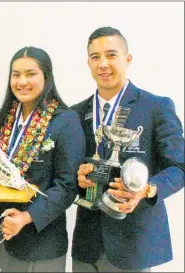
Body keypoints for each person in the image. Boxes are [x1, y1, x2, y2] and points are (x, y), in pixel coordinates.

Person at [71, 26, 185, 272]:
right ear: (88, 63)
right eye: (95, 57)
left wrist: (146, 190)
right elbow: (66, 172)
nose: (103, 64)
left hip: (134, 244)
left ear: (127, 59)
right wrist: (77, 177)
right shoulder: (75, 114)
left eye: (111, 55)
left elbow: (179, 167)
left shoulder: (156, 107)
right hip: (87, 244)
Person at [0, 46, 86, 272]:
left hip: (40, 242)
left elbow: (67, 186)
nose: (22, 81)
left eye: (30, 74)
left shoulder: (65, 122)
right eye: (16, 74)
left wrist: (26, 217)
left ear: (46, 77)